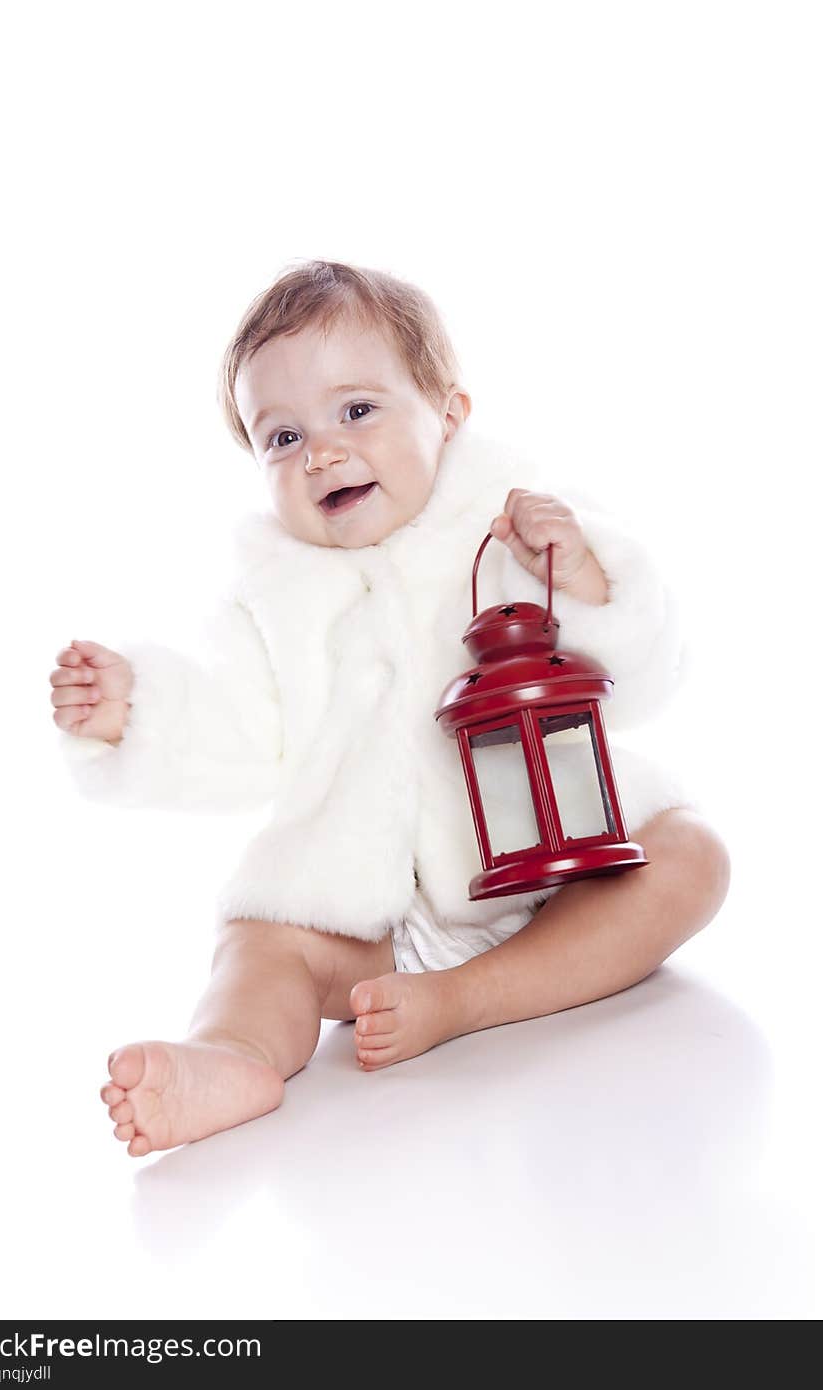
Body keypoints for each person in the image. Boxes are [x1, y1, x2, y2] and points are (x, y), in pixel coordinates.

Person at [50, 259, 731, 1158]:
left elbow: (642, 672)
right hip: (377, 925)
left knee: (690, 857)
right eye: (282, 437)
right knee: (260, 940)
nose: (322, 451)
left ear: (448, 416)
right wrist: (135, 713)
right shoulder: (272, 597)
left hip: (563, 858)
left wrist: (589, 574)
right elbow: (240, 732)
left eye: (357, 411)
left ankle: (471, 998)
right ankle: (234, 1054)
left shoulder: (512, 526)